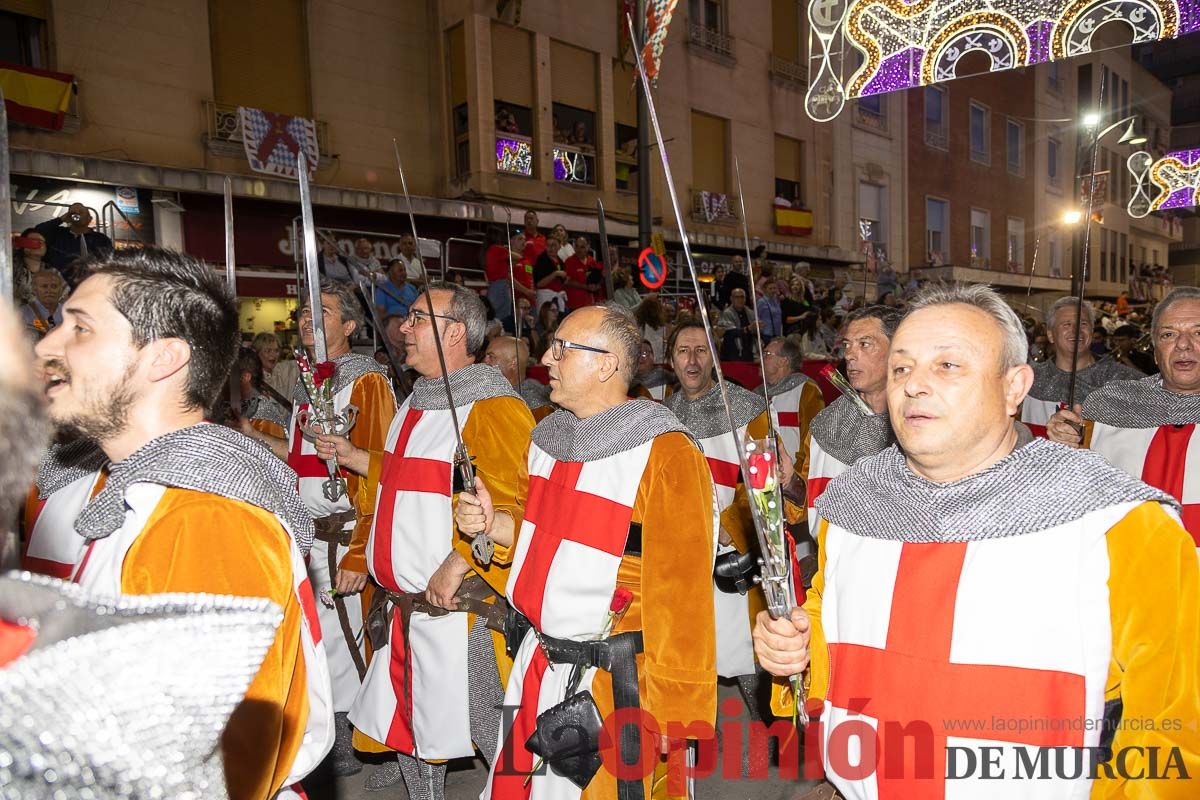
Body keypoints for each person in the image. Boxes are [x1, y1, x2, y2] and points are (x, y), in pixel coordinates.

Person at [754, 283, 1200, 798]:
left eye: (948, 365)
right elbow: (830, 638)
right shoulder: (852, 506)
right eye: (902, 367)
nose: (914, 385)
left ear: (1015, 387)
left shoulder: (1119, 523)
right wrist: (794, 646)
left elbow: (1170, 733)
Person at [34, 247, 334, 799]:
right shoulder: (146, 494)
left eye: (79, 329)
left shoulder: (205, 517)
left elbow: (212, 771)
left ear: (162, 358)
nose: (48, 346)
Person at [456, 304, 717, 800]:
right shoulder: (544, 437)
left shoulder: (666, 453)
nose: (547, 361)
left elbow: (683, 601)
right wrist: (495, 524)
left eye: (562, 349)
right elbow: (537, 537)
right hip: (537, 665)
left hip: (615, 686)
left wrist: (672, 719)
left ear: (606, 364)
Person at [318, 283, 534, 800]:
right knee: (412, 733)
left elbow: (514, 507)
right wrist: (356, 457)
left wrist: (457, 564)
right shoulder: (415, 402)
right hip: (406, 611)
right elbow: (408, 479)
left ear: (456, 332)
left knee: (493, 733)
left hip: (462, 613)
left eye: (417, 318)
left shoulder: (490, 407)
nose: (402, 328)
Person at [244, 280, 397, 776]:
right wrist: (249, 439)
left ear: (349, 326)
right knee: (319, 640)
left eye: (324, 312)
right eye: (306, 311)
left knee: (351, 642)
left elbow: (381, 473)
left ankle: (361, 740)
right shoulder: (311, 384)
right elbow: (300, 465)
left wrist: (358, 551)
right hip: (311, 532)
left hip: (345, 533)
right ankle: (331, 734)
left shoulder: (367, 382)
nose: (310, 319)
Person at [663, 321, 775, 758]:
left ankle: (771, 732)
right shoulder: (662, 414)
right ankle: (690, 742)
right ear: (669, 359)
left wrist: (733, 523)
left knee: (741, 649)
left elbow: (767, 483)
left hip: (731, 554)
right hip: (681, 553)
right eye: (683, 351)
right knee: (689, 648)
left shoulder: (745, 408)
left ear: (714, 358)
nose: (692, 360)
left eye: (701, 350)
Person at [1046, 286, 1200, 546]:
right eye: (1168, 334)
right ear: (1154, 348)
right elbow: (1069, 501)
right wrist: (1062, 448)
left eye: (1198, 333)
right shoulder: (1110, 406)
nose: (1183, 345)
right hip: (1125, 570)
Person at [802, 306, 899, 538]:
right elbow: (808, 501)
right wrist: (788, 485)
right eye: (847, 345)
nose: (849, 355)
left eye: (864, 344)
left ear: (898, 350)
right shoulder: (827, 423)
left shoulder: (923, 420)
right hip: (834, 559)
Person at [1020, 297, 1143, 437]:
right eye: (1066, 324)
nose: (1076, 331)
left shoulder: (1125, 379)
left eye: (1083, 324)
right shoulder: (1027, 381)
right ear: (1050, 335)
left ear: (1091, 332)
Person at [760, 335, 825, 466]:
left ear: (783, 361)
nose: (760, 359)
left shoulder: (807, 390)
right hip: (764, 476)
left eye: (767, 354)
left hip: (794, 477)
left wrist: (798, 478)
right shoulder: (758, 394)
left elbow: (813, 441)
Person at [33, 202, 113, 283]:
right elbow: (37, 231)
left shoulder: (101, 239)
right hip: (57, 284)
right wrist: (61, 219)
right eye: (73, 212)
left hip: (89, 283)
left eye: (81, 212)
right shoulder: (58, 234)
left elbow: (109, 263)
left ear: (89, 219)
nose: (77, 214)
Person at [484, 334, 555, 421]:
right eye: (486, 356)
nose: (485, 361)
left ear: (513, 363)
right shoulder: (485, 387)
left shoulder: (534, 403)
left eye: (491, 356)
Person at [253, 332, 301, 411]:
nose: (273, 354)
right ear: (256, 353)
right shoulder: (251, 378)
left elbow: (309, 361)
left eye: (276, 350)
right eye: (268, 351)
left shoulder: (289, 369)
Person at [21, 268, 66, 336]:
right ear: (34, 290)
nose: (49, 290)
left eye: (54, 286)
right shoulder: (22, 313)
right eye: (44, 286)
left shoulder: (69, 314)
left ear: (61, 290)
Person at [563, 236, 602, 310]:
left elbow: (598, 278)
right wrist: (585, 287)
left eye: (582, 247)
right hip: (574, 305)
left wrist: (597, 286)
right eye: (577, 246)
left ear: (588, 247)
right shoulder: (569, 261)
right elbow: (566, 281)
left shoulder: (592, 261)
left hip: (589, 304)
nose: (579, 250)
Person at [717, 288, 755, 362]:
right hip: (732, 353)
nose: (740, 299)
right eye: (737, 297)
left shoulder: (751, 313)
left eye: (742, 297)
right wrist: (748, 329)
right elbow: (730, 332)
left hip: (748, 351)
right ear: (731, 299)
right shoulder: (727, 313)